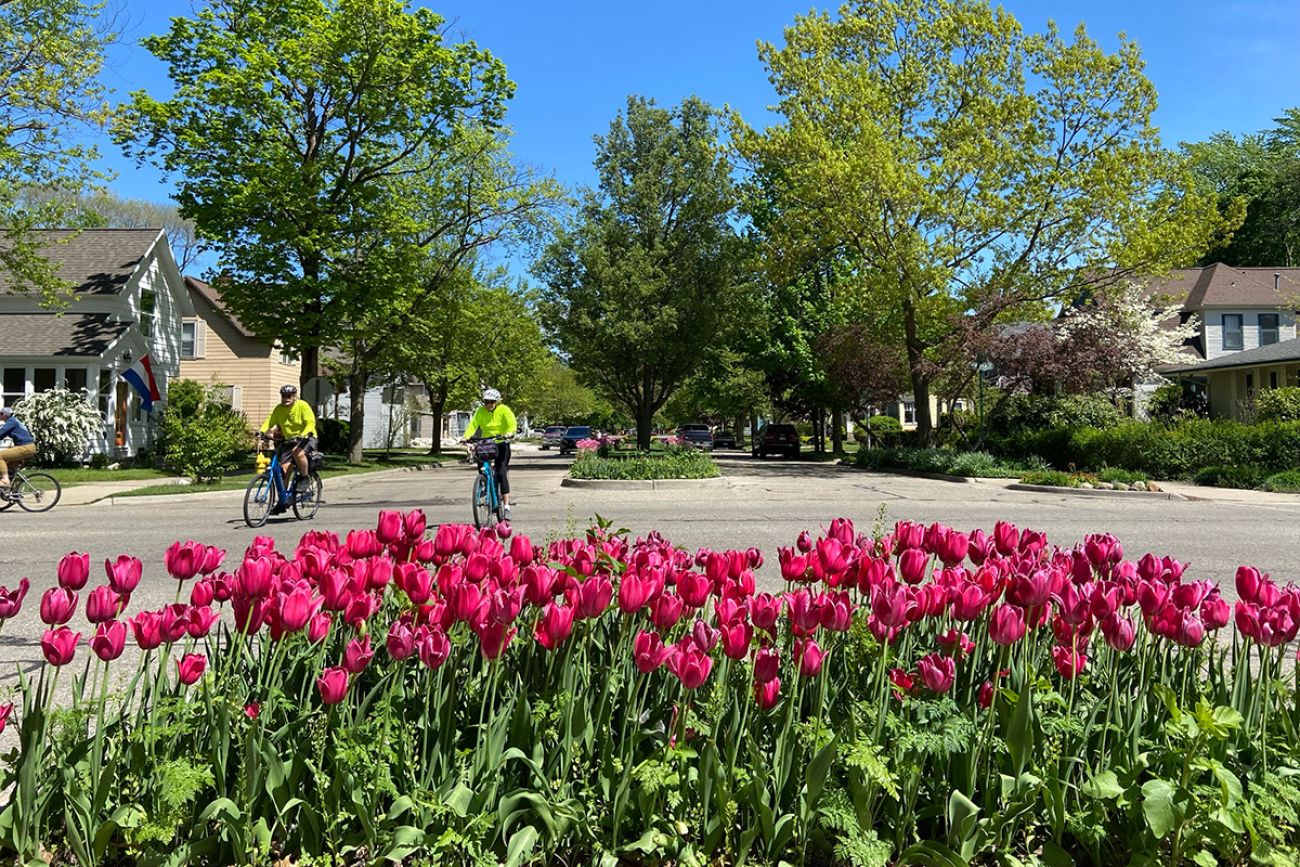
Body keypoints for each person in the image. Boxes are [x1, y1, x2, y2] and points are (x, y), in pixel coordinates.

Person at [460, 387, 517, 515]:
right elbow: (473, 425)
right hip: (487, 443)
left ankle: (506, 506)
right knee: (482, 469)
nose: (488, 405)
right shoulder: (480, 411)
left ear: (497, 402)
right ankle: (485, 484)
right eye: (486, 402)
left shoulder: (504, 410)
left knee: (501, 472)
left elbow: (512, 423)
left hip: (501, 443)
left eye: (491, 402)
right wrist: (466, 437)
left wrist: (509, 433)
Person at [260, 384, 318, 504]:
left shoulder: (302, 406)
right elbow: (269, 421)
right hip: (289, 440)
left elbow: (310, 422)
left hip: (307, 438)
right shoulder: (279, 409)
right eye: (284, 396)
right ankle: (283, 501)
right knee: (284, 470)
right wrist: (261, 431)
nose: (286, 398)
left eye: (289, 396)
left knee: (297, 452)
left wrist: (305, 433)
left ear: (294, 396)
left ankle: (304, 478)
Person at [0, 406, 36, 489]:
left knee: (0, 456)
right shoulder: (13, 421)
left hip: (26, 447)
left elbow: (1, 432)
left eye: (1, 414)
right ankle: (13, 491)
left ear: (4, 415)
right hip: (26, 447)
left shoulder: (11, 422)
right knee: (9, 468)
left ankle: (5, 480)